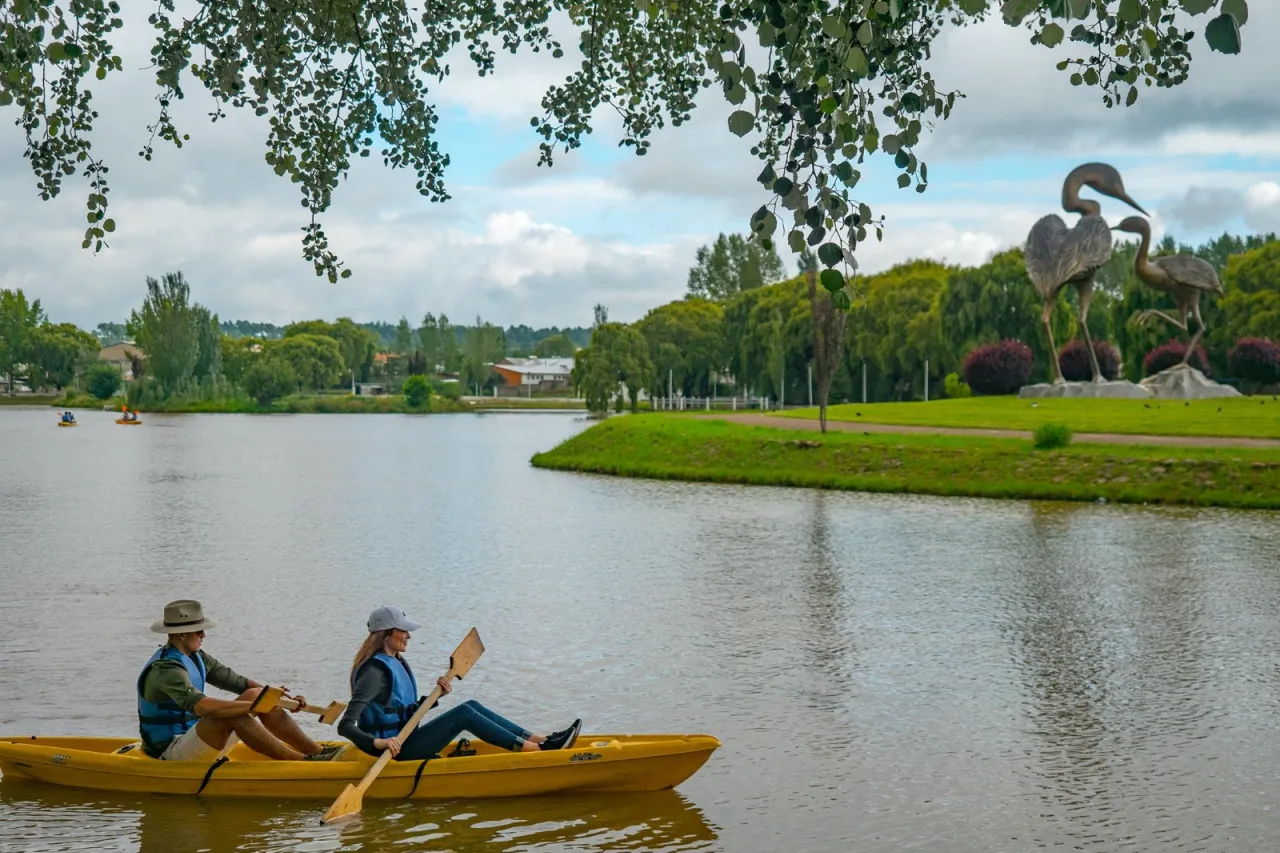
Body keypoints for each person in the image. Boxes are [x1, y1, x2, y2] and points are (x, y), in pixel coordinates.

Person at [338, 605, 581, 761]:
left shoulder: (395, 662)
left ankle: (542, 740)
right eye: (403, 630)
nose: (409, 636)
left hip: (405, 739)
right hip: (391, 752)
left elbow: (403, 713)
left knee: (471, 704)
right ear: (387, 633)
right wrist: (379, 742)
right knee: (464, 713)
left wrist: (434, 699)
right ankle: (536, 752)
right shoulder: (373, 672)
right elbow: (345, 726)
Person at [138, 599, 342, 762]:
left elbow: (239, 683)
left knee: (256, 694)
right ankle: (301, 762)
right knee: (234, 714)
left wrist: (279, 698)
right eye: (199, 631)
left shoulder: (196, 656)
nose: (204, 635)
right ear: (181, 634)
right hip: (168, 753)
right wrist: (255, 706)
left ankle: (318, 752)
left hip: (192, 738)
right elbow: (203, 708)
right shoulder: (166, 670)